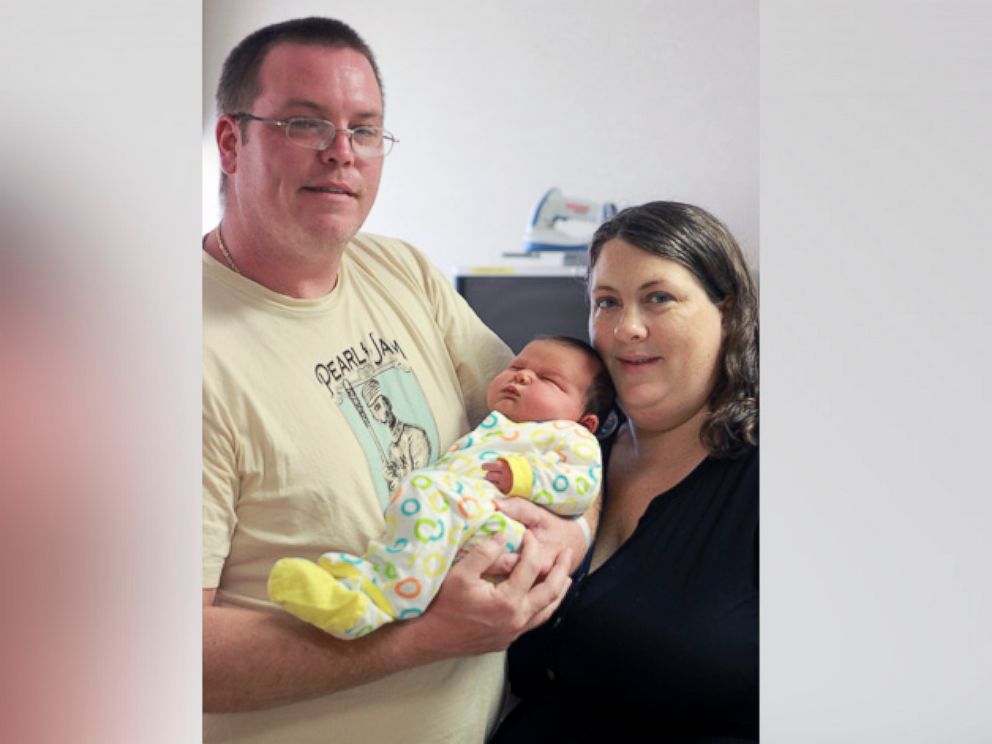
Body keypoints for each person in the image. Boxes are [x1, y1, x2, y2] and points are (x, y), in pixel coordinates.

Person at [202, 17, 587, 744]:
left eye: (366, 130)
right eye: (305, 123)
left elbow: (549, 430)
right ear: (231, 142)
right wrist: (425, 638)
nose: (342, 154)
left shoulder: (402, 273)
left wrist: (571, 532)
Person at [492, 201, 759, 743]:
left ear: (726, 311)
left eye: (658, 298)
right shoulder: (565, 459)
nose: (626, 328)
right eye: (606, 302)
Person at [268, 336, 614, 639]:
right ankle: (362, 581)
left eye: (549, 380)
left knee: (428, 491)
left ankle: (383, 601)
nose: (522, 375)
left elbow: (582, 487)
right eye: (516, 366)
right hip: (469, 521)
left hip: (506, 530)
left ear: (585, 420)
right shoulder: (494, 428)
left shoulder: (571, 436)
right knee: (423, 502)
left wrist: (525, 477)